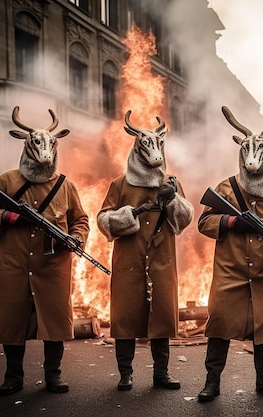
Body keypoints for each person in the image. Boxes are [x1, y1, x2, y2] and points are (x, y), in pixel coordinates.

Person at [0, 106, 89, 396]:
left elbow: (81, 220)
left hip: (53, 268)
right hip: (15, 265)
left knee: (55, 322)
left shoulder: (66, 186)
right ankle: (13, 377)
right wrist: (11, 217)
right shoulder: (7, 181)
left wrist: (75, 237)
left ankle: (54, 376)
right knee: (13, 322)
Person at [196, 106, 263, 402]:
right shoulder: (225, 189)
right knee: (219, 327)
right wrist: (231, 222)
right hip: (230, 271)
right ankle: (211, 382)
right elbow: (204, 222)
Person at [97, 111, 193, 392]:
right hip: (129, 260)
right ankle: (125, 374)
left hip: (162, 261)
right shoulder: (120, 184)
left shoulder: (172, 182)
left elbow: (185, 219)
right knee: (125, 319)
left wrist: (172, 199)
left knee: (161, 319)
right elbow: (103, 219)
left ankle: (161, 374)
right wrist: (131, 215)